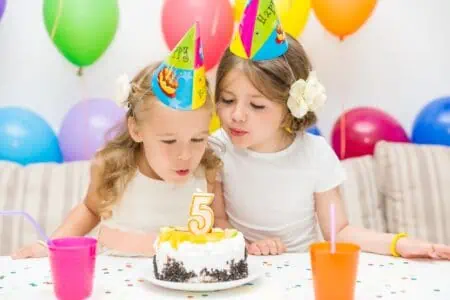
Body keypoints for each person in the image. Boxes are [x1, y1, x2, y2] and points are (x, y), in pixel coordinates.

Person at [211, 0, 450, 259]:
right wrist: (246, 244)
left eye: (256, 105)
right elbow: (219, 220)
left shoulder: (314, 153)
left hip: (300, 271)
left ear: (291, 105)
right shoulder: (218, 148)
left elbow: (340, 231)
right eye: (227, 100)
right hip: (241, 266)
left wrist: (399, 244)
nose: (236, 115)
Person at [12, 23, 221, 259]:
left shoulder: (206, 172)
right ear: (136, 129)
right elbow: (90, 210)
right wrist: (50, 246)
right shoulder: (114, 169)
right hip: (117, 281)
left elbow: (218, 228)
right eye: (169, 141)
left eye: (198, 139)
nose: (185, 154)